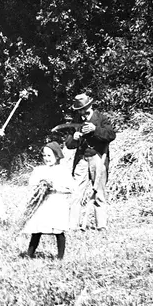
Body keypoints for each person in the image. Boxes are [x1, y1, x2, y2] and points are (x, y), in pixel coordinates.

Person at [63, 93, 117, 231]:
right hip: (81, 160)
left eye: (84, 109)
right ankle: (73, 225)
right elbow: (69, 144)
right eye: (79, 110)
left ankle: (101, 225)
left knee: (99, 192)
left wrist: (95, 129)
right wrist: (74, 138)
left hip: (98, 157)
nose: (82, 113)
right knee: (76, 192)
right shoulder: (76, 121)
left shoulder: (101, 118)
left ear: (90, 106)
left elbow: (111, 135)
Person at [20, 141, 72, 260]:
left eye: (49, 156)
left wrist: (54, 187)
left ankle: (60, 257)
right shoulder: (39, 170)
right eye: (44, 156)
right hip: (42, 203)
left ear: (57, 156)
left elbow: (70, 188)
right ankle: (30, 253)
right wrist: (40, 186)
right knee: (37, 228)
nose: (47, 158)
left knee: (58, 230)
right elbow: (32, 185)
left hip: (57, 202)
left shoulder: (62, 171)